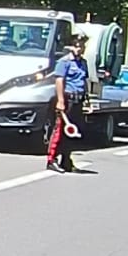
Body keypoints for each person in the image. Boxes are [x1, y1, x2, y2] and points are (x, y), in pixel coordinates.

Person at [46, 32, 89, 173]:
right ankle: (51, 160)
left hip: (78, 100)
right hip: (67, 99)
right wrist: (60, 101)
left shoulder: (83, 63)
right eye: (76, 46)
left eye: (81, 46)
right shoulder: (65, 62)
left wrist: (87, 99)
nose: (79, 48)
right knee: (60, 131)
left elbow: (84, 81)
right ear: (71, 46)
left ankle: (66, 160)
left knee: (72, 132)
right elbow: (59, 80)